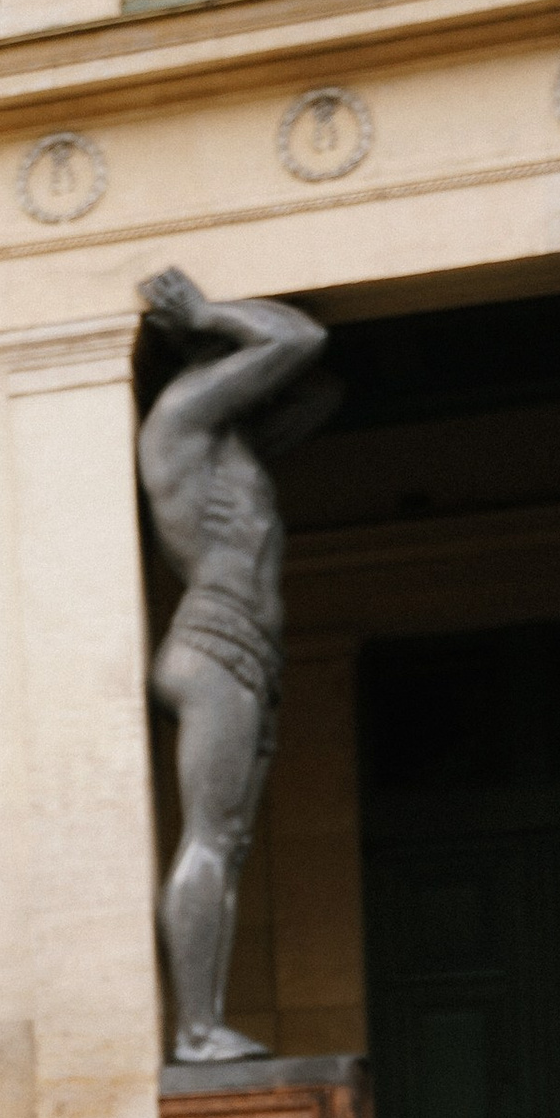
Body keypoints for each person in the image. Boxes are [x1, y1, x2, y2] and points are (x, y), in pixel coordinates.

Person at [136, 265, 331, 1064]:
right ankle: (195, 1030)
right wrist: (216, 315)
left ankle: (202, 1022)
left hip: (241, 645)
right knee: (211, 838)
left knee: (229, 841)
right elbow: (300, 339)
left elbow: (322, 396)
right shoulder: (180, 415)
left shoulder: (223, 444)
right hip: (214, 640)